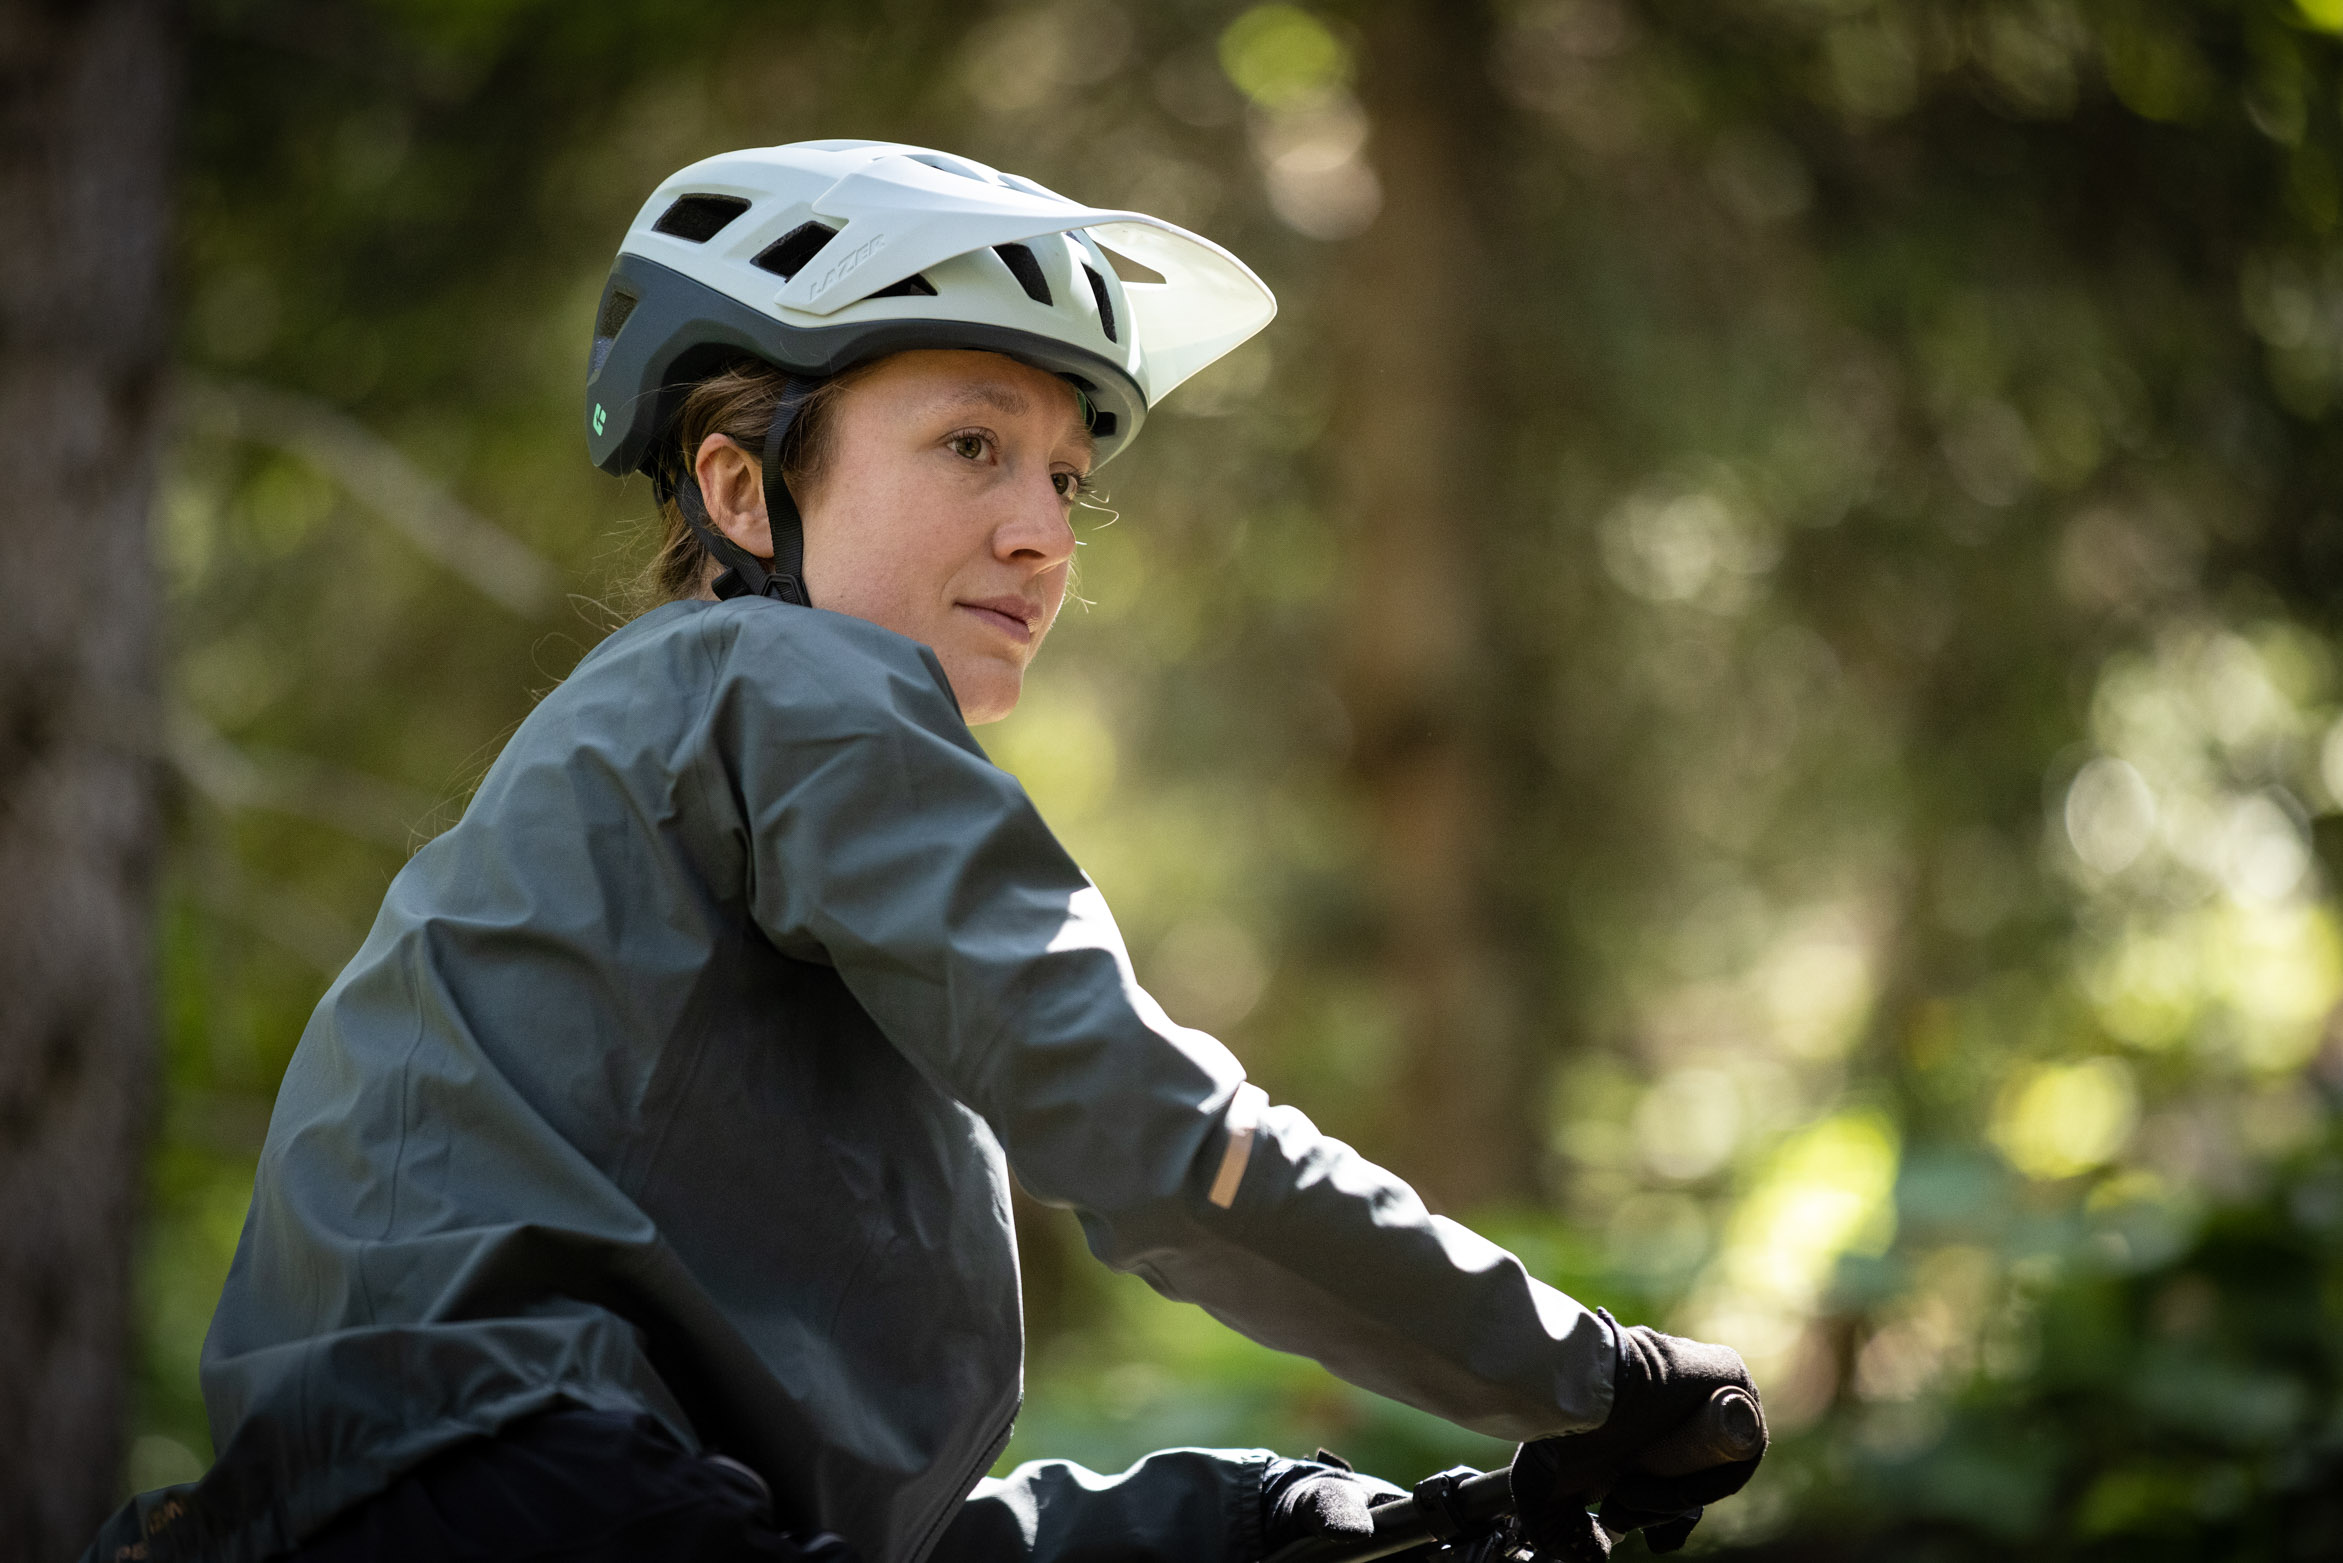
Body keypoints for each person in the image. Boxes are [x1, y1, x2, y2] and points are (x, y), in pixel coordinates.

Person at [86, 141, 1763, 1563]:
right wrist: (1590, 1372)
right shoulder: (788, 679)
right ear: (745, 491)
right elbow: (1164, 1146)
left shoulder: (705, 781)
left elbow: (852, 1511)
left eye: (1064, 476)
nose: (1041, 532)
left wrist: (1259, 1516)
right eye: (971, 445)